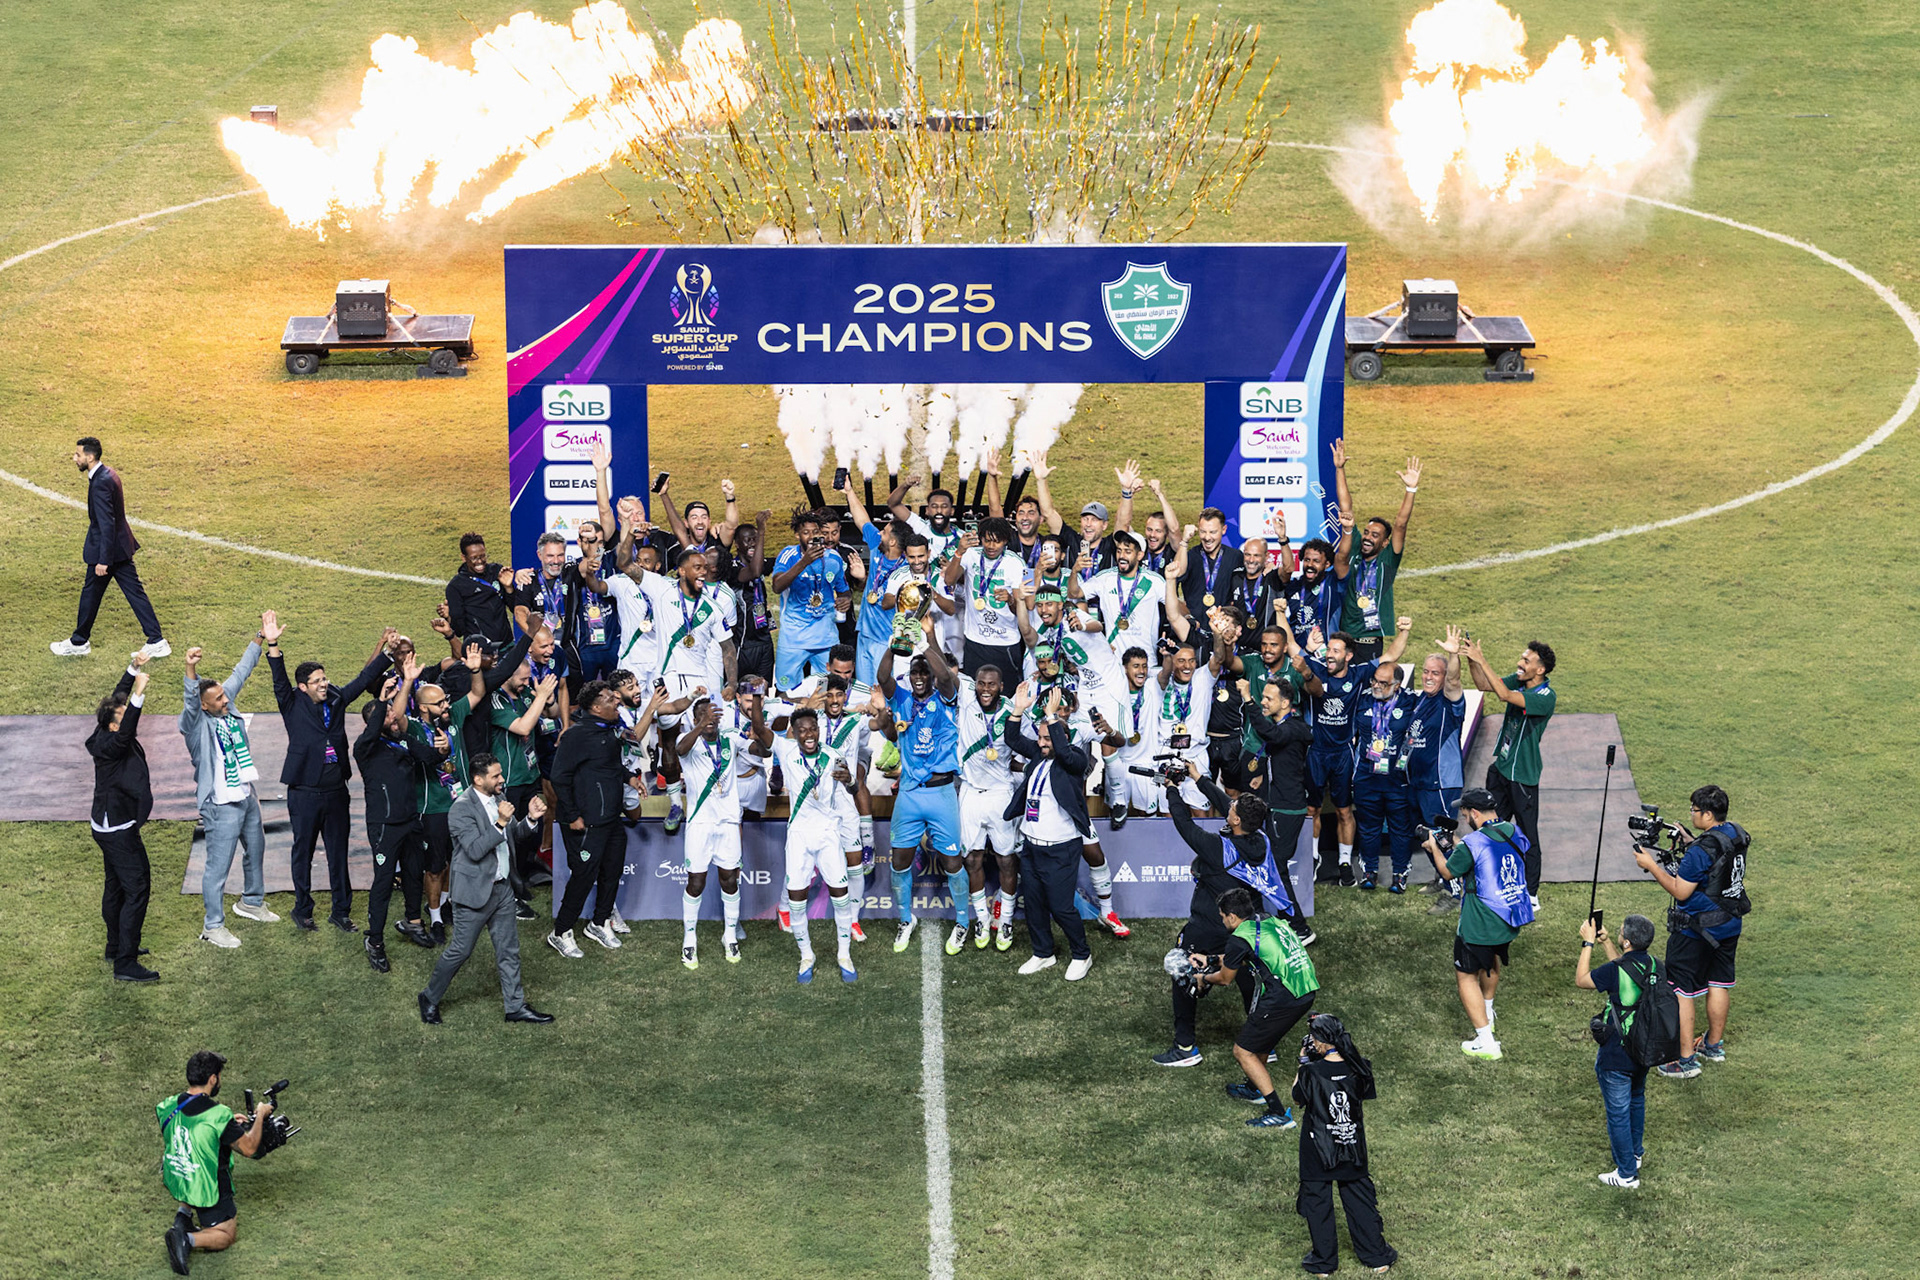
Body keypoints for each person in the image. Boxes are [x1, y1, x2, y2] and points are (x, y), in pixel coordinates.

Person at [268, 623, 395, 932]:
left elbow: (363, 679)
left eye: (324, 678)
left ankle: (341, 911)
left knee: (339, 853)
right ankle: (302, 908)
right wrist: (273, 644)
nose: (324, 684)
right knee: (304, 851)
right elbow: (278, 679)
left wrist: (387, 651)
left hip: (337, 790)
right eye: (317, 681)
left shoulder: (336, 698)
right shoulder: (290, 702)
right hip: (305, 792)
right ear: (303, 687)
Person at [419, 754, 553, 1025]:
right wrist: (501, 822)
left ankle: (515, 1006)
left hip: (502, 890)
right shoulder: (461, 809)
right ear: (478, 779)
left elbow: (512, 836)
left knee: (508, 949)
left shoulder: (497, 802)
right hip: (473, 893)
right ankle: (429, 997)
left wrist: (529, 819)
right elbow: (476, 849)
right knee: (460, 951)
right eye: (495, 775)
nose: (501, 779)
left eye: (500, 774)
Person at [1634, 784, 1750, 1079]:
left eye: (1695, 810)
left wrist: (1650, 864)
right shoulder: (1735, 832)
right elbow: (1717, 861)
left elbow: (1680, 890)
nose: (1691, 814)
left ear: (1708, 814)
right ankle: (1713, 1046)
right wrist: (1692, 840)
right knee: (1719, 982)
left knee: (1681, 990)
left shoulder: (1700, 852)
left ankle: (1684, 1061)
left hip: (1696, 929)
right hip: (1729, 923)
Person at [178, 624, 276, 950]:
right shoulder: (195, 726)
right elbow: (190, 703)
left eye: (223, 695)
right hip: (220, 804)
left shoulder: (227, 708)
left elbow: (242, 671)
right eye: (218, 698)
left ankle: (251, 901)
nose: (225, 699)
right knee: (218, 868)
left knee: (256, 850)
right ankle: (213, 926)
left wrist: (260, 636)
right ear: (204, 704)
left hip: (245, 795)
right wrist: (190, 668)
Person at [1421, 788, 1534, 1060]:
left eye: (1464, 814)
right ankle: (1489, 1013)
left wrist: (1435, 848)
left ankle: (1486, 1041)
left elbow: (1448, 871)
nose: (1463, 818)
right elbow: (1490, 850)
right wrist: (1459, 843)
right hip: (1508, 919)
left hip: (1479, 922)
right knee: (1490, 958)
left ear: (1474, 813)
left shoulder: (1474, 843)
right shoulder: (1513, 831)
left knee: (1466, 975)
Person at [1192, 886, 1318, 1128]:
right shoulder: (1267, 920)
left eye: (1222, 916)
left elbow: (1226, 978)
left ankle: (1278, 1113)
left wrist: (1203, 978)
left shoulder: (1239, 937)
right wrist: (1208, 959)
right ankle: (1253, 1088)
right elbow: (1245, 954)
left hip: (1284, 997)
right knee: (1261, 1038)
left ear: (1231, 916)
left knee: (1243, 1051)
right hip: (1305, 988)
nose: (1221, 920)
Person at [752, 703, 860, 983]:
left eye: (812, 728)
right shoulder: (786, 750)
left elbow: (854, 787)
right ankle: (806, 956)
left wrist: (849, 780)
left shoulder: (834, 755)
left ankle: (844, 955)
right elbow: (760, 729)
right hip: (799, 836)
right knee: (797, 901)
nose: (808, 734)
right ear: (795, 733)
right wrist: (756, 697)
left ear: (819, 730)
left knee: (841, 896)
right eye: (802, 730)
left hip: (828, 835)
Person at [1304, 628, 1413, 885]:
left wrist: (1404, 631)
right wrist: (1282, 614)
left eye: (1336, 650)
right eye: (1375, 681)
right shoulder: (1324, 672)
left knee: (1346, 811)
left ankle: (1350, 864)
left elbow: (1391, 655)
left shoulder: (1374, 681)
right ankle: (1314, 860)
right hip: (1327, 756)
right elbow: (1297, 657)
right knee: (1314, 809)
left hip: (1358, 760)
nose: (1376, 685)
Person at [876, 640, 965, 952]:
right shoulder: (900, 699)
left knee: (953, 862)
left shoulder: (947, 697)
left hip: (942, 794)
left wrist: (925, 645)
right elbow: (883, 677)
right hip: (910, 795)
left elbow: (946, 676)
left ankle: (963, 923)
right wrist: (893, 646)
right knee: (899, 861)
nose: (919, 676)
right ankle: (905, 918)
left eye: (923, 672)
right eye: (914, 672)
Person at [1292, 1014, 1397, 1277]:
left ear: (1318, 1041)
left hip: (1318, 1148)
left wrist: (1303, 1061)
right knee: (1360, 1200)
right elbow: (1363, 1094)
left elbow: (1297, 1097)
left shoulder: (1311, 1072)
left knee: (1318, 1202)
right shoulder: (1361, 1068)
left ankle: (1324, 1263)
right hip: (1351, 1144)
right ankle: (1375, 1257)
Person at [1002, 684, 1095, 980]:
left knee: (1061, 907)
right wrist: (1017, 710)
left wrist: (1053, 716)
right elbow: (1013, 738)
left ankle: (1082, 954)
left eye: (1047, 738)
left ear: (1061, 738)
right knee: (1034, 903)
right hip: (1031, 847)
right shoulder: (1040, 756)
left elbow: (1067, 755)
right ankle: (1043, 953)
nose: (1041, 743)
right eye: (1040, 737)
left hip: (1061, 848)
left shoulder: (1074, 761)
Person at [354, 669, 442, 972]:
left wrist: (441, 747)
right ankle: (374, 940)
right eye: (389, 717)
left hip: (410, 821)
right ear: (375, 722)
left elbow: (430, 758)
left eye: (394, 715)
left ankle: (413, 921)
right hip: (384, 826)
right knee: (382, 881)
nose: (395, 720)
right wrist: (382, 701)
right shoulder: (365, 749)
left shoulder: (402, 741)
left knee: (414, 872)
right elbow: (378, 721)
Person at [158, 1050, 275, 1275]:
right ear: (213, 1079)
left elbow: (194, 1129)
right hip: (204, 1185)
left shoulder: (167, 1105)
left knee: (193, 1155)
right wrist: (260, 1115)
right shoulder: (218, 1115)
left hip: (178, 1176)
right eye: (219, 1075)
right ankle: (185, 1238)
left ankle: (183, 1215)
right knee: (227, 1235)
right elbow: (250, 1148)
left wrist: (230, 1126)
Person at [1461, 635, 1557, 908]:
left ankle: (1532, 893)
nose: (1519, 663)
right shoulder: (1521, 680)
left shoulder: (1545, 697)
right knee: (1492, 828)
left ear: (1540, 670)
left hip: (1523, 776)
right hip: (1501, 768)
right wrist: (1471, 658)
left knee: (1527, 835)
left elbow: (1503, 695)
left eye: (1526, 660)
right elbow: (1483, 684)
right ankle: (1491, 880)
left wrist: (1482, 659)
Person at [53, 436, 167, 659]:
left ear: (90, 456)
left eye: (78, 455)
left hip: (108, 552)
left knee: (93, 594)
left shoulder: (101, 482)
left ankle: (79, 642)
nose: (74, 458)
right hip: (118, 548)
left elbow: (107, 522)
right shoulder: (108, 474)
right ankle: (156, 640)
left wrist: (103, 560)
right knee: (128, 593)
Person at [547, 680, 632, 959]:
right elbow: (559, 777)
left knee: (612, 872)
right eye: (610, 699)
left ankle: (599, 923)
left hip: (611, 819)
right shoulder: (576, 736)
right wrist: (572, 815)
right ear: (596, 707)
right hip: (585, 822)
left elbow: (609, 765)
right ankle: (561, 932)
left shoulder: (607, 731)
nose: (617, 701)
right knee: (583, 877)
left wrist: (630, 777)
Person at [88, 650, 157, 981]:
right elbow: (129, 726)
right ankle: (125, 963)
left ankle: (116, 945)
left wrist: (133, 669)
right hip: (118, 828)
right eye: (123, 712)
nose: (126, 709)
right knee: (137, 886)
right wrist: (140, 694)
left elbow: (117, 699)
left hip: (108, 825)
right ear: (114, 724)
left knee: (116, 885)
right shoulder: (115, 743)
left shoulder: (104, 731)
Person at [1576, 913, 1658, 1188]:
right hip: (1644, 1047)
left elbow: (1582, 979)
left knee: (1618, 1113)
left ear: (1628, 942)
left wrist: (1587, 944)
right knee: (1637, 1100)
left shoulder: (1615, 971)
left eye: (1620, 931)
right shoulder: (1655, 965)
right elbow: (1626, 969)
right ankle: (1634, 1155)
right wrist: (1606, 942)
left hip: (1616, 1053)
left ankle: (1626, 1174)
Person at [674, 693, 748, 966]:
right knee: (696, 882)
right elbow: (679, 749)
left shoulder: (730, 739)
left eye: (713, 715)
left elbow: (760, 750)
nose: (709, 720)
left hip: (728, 822)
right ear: (695, 719)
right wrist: (698, 725)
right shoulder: (690, 743)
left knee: (730, 879)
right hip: (700, 824)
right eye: (703, 716)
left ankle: (730, 936)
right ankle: (689, 939)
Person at [1329, 444, 1418, 663]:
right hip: (1344, 637)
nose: (1368, 537)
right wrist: (1339, 469)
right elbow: (1346, 507)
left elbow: (1400, 525)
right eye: (1367, 532)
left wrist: (1411, 490)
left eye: (1375, 535)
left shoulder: (1389, 560)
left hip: (1370, 640)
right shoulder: (1356, 546)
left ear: (1385, 542)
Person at [1401, 628, 1468, 913]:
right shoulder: (1422, 700)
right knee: (1426, 834)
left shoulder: (1449, 702)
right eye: (1426, 672)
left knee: (1441, 836)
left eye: (1435, 673)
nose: (1429, 676)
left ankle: (1456, 892)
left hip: (1440, 783)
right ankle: (1442, 877)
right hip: (1419, 782)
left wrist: (1453, 654)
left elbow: (1454, 680)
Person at [957, 666, 1021, 952]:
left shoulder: (1013, 710)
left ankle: (1005, 920)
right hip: (970, 792)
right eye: (981, 683)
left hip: (1000, 793)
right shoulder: (966, 704)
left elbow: (1023, 748)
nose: (985, 689)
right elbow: (946, 678)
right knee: (972, 859)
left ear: (1001, 686)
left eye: (991, 685)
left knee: (1006, 860)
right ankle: (982, 919)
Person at [1349, 634, 1418, 893]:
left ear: (1397, 685)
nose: (1377, 686)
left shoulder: (1411, 701)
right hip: (1367, 774)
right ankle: (1369, 872)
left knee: (1400, 827)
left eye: (1384, 683)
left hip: (1397, 777)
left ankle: (1400, 873)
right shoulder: (1363, 698)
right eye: (1375, 681)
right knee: (1368, 826)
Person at [770, 508, 851, 691]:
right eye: (806, 532)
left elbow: (844, 590)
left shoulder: (834, 559)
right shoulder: (789, 555)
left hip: (825, 640)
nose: (811, 536)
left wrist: (845, 600)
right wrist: (804, 562)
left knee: (825, 691)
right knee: (787, 692)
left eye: (815, 532)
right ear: (798, 534)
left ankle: (821, 720)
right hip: (793, 640)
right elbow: (777, 586)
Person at [944, 517, 1033, 679]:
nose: (991, 546)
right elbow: (949, 580)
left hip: (1005, 642)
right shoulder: (971, 555)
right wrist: (959, 552)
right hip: (974, 640)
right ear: (981, 538)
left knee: (1007, 694)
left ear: (1005, 541)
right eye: (987, 540)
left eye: (997, 541)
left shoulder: (1015, 563)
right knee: (974, 691)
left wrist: (1011, 600)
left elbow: (1023, 609)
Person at [444, 533, 513, 649]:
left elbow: (514, 607)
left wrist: (509, 587)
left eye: (483, 556)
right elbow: (459, 630)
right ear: (463, 557)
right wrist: (449, 617)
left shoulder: (496, 571)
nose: (480, 561)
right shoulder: (456, 586)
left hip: (507, 644)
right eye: (474, 558)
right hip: (481, 651)